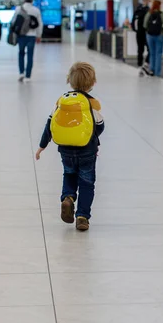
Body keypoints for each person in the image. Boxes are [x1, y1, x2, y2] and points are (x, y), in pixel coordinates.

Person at [35, 62, 105, 232]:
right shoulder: (91, 103)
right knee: (87, 183)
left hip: (65, 150)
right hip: (87, 151)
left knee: (69, 174)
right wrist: (93, 139)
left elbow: (50, 124)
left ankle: (68, 197)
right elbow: (100, 125)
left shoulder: (62, 101)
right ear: (93, 83)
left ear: (70, 81)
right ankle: (82, 217)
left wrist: (42, 146)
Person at [10, 0, 43, 83]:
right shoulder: (36, 10)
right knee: (30, 55)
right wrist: (39, 35)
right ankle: (28, 76)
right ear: (32, 0)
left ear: (24, 0)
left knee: (21, 53)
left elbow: (13, 21)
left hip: (21, 35)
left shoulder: (18, 9)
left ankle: (21, 73)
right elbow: (40, 24)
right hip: (31, 36)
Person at [144, 0, 163, 77]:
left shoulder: (149, 13)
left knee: (151, 53)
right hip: (159, 35)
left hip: (149, 35)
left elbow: (144, 25)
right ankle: (157, 73)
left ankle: (151, 70)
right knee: (158, 54)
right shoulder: (162, 14)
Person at [132, 0, 151, 73]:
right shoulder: (148, 10)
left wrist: (135, 29)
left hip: (140, 32)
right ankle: (143, 63)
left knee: (141, 49)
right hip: (144, 32)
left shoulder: (138, 10)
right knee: (145, 49)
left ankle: (141, 64)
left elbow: (133, 21)